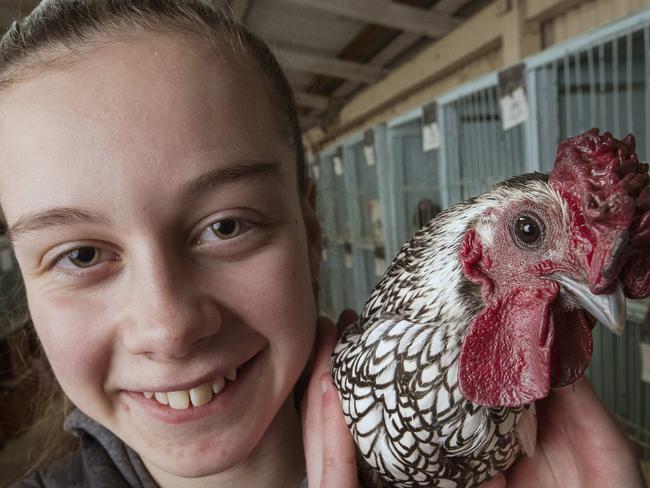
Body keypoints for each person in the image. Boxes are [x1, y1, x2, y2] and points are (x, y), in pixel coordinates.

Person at [0, 1, 645, 487]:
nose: (168, 328)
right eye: (80, 255)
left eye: (226, 225)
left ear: (311, 233)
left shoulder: (548, 461)